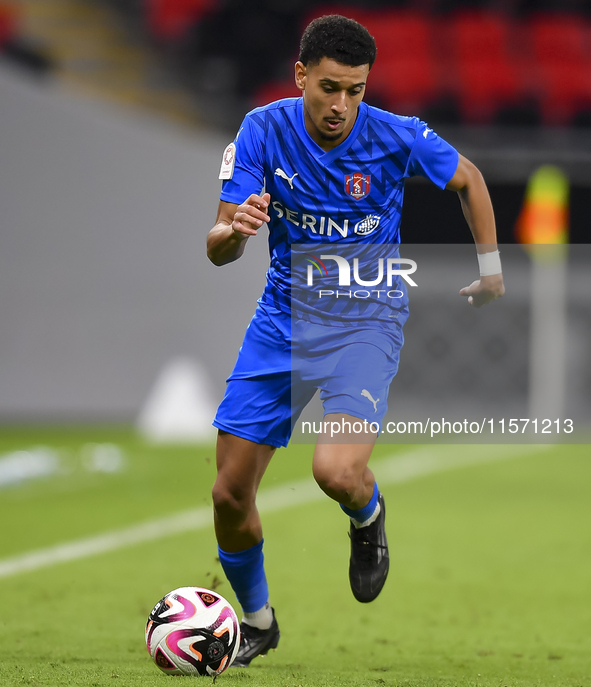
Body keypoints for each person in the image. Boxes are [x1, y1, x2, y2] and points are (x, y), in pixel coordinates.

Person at [206, 14, 504, 667]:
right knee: (229, 493)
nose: (341, 105)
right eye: (330, 88)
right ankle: (257, 621)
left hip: (364, 323)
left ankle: (367, 517)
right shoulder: (262, 130)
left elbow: (469, 180)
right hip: (280, 323)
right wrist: (236, 232)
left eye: (356, 91)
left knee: (334, 470)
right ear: (300, 75)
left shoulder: (393, 135)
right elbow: (216, 247)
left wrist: (490, 270)